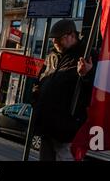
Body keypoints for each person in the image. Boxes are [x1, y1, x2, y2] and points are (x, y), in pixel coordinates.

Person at [31, 19, 96, 161]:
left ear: (71, 36)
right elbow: (40, 80)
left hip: (67, 130)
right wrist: (36, 96)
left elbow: (94, 93)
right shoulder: (52, 56)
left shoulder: (86, 55)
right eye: (53, 38)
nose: (54, 41)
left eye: (58, 38)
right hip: (46, 126)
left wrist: (87, 74)